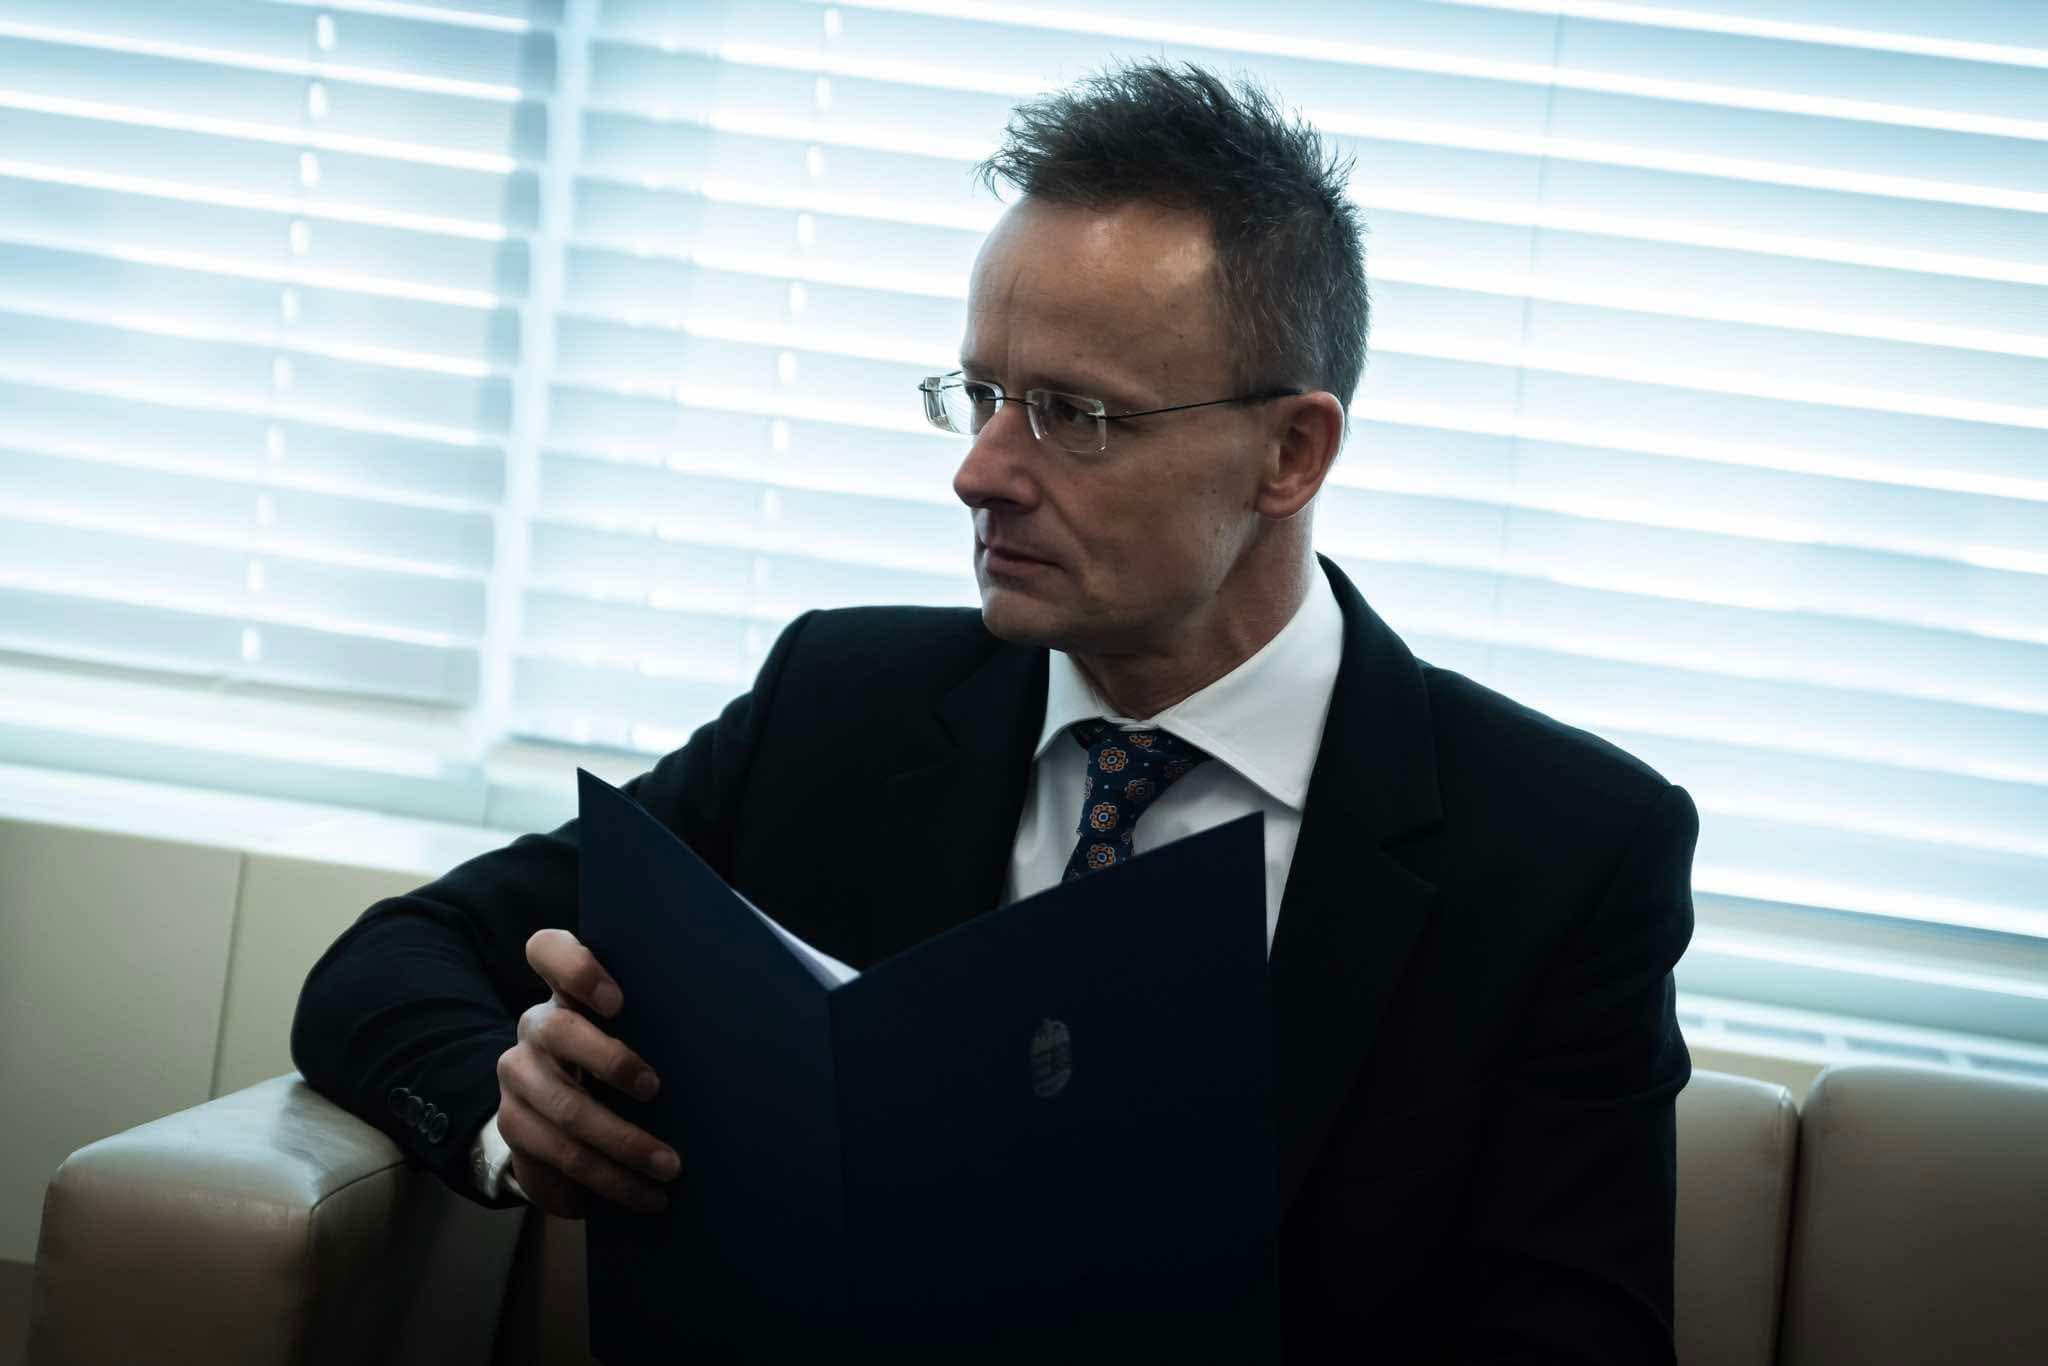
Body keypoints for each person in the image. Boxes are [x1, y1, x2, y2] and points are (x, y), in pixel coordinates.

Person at [293, 60, 1697, 1363]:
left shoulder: (1565, 851)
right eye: (979, 395)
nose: (979, 472)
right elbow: (394, 957)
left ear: (1290, 451)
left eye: (1075, 415)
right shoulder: (840, 704)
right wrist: (515, 1122)